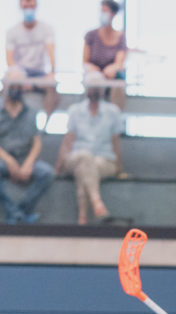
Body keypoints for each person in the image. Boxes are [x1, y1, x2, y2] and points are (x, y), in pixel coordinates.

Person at [0, 67, 54, 223]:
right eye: (12, 85)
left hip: (25, 158)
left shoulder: (32, 112)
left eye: (19, 85)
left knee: (47, 173)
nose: (15, 89)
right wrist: (9, 161)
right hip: (1, 159)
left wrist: (28, 164)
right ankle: (14, 211)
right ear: (5, 85)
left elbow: (37, 142)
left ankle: (19, 211)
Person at [56, 71, 123, 224]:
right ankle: (97, 203)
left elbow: (116, 142)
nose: (94, 91)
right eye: (92, 87)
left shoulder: (113, 112)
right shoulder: (75, 110)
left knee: (85, 169)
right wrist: (58, 166)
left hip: (104, 160)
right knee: (85, 157)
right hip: (76, 157)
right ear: (86, 89)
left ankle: (83, 218)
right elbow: (68, 140)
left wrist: (119, 168)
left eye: (97, 88)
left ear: (103, 90)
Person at [5, 0, 57, 115]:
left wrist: (52, 71)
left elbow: (51, 52)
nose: (28, 7)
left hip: (39, 73)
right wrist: (20, 78)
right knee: (10, 81)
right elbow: (9, 60)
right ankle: (11, 117)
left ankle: (47, 121)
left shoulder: (46, 29)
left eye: (31, 4)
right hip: (20, 73)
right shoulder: (12, 31)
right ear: (20, 6)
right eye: (25, 4)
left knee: (52, 84)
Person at [83, 0, 125, 108]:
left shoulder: (120, 36)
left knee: (117, 86)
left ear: (113, 14)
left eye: (105, 11)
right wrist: (92, 69)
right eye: (101, 11)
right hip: (94, 75)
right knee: (94, 80)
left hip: (112, 76)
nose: (102, 14)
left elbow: (119, 63)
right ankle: (93, 111)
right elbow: (85, 61)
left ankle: (115, 114)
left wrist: (112, 69)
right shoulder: (91, 35)